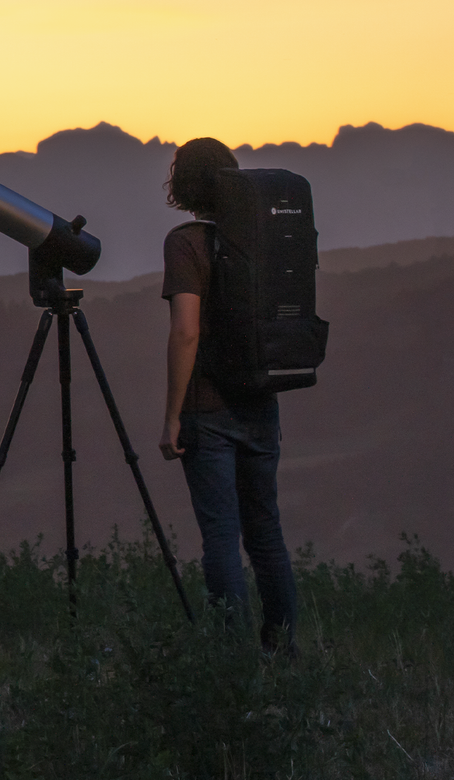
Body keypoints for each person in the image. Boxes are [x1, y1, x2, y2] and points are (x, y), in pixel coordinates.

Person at [158, 137, 298, 651]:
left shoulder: (186, 243)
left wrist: (172, 416)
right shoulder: (260, 235)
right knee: (266, 534)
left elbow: (186, 332)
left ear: (182, 185)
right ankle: (282, 650)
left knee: (220, 537)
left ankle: (232, 660)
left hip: (208, 410)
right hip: (262, 403)